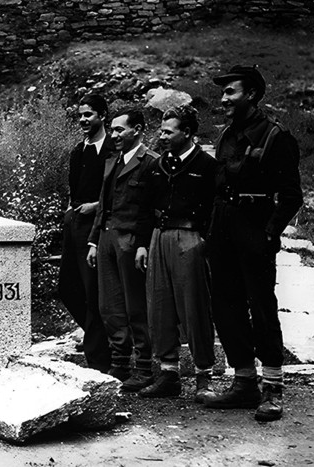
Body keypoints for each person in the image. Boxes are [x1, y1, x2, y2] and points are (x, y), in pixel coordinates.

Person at [204, 65, 303, 421]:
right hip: (223, 231)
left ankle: (272, 388)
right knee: (225, 306)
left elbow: (292, 195)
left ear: (252, 95)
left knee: (261, 308)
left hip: (254, 230)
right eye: (223, 92)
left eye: (231, 92)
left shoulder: (276, 136)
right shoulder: (227, 135)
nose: (223, 99)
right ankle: (244, 383)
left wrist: (269, 233)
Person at [136, 105, 219, 402]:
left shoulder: (207, 166)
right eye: (161, 130)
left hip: (190, 238)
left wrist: (205, 242)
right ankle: (168, 375)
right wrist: (144, 244)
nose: (162, 136)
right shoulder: (157, 166)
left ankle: (203, 378)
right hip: (159, 237)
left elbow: (215, 210)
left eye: (168, 131)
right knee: (160, 307)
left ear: (187, 132)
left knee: (193, 307)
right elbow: (146, 209)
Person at [86, 108, 158, 392]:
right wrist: (94, 241)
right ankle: (119, 362)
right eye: (113, 130)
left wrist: (143, 244)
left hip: (130, 240)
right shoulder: (112, 161)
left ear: (137, 130)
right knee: (110, 306)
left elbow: (150, 210)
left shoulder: (150, 162)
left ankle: (143, 367)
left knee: (135, 305)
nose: (113, 135)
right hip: (106, 238)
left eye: (119, 130)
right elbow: (103, 205)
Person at [58, 94, 113, 373]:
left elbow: (117, 191)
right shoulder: (77, 151)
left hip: (99, 227)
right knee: (68, 288)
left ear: (103, 116)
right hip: (75, 224)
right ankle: (100, 338)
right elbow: (73, 190)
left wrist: (96, 206)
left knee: (94, 292)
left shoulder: (113, 150)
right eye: (80, 115)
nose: (82, 120)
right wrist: (70, 213)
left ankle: (99, 360)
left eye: (89, 114)